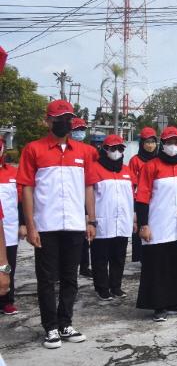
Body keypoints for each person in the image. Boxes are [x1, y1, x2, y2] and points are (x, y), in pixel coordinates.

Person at [17, 99, 96, 349]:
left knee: (70, 277)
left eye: (68, 118)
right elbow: (27, 189)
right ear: (48, 121)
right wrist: (30, 225)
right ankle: (50, 327)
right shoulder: (33, 149)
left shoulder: (83, 152)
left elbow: (88, 188)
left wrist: (91, 220)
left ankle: (65, 323)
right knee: (47, 279)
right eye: (59, 118)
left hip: (74, 224)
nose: (65, 122)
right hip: (46, 225)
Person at [135, 126, 177, 322]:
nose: (173, 146)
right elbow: (142, 198)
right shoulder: (151, 166)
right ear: (162, 144)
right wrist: (144, 224)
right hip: (158, 226)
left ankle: (176, 302)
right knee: (159, 266)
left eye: (176, 142)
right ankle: (159, 305)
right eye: (169, 142)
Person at [86, 135, 134, 301]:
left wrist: (133, 218)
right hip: (102, 220)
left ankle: (116, 286)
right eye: (113, 148)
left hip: (122, 220)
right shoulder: (95, 168)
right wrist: (89, 218)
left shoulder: (127, 170)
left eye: (120, 149)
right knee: (100, 257)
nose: (117, 152)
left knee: (119, 256)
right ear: (105, 149)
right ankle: (102, 288)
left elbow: (131, 196)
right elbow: (89, 195)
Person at [71, 117, 98, 278]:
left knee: (86, 233)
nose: (79, 133)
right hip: (71, 196)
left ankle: (84, 265)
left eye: (82, 129)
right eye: (76, 130)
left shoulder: (90, 151)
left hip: (86, 195)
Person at [0, 137, 24, 315]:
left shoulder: (12, 173)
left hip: (8, 229)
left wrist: (23, 224)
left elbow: (21, 201)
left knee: (8, 266)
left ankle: (7, 300)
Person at [128, 127, 158, 263]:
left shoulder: (159, 160)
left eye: (153, 142)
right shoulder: (135, 161)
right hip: (139, 199)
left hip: (156, 200)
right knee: (140, 226)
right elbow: (132, 184)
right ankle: (138, 258)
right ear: (142, 144)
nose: (150, 145)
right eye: (147, 142)